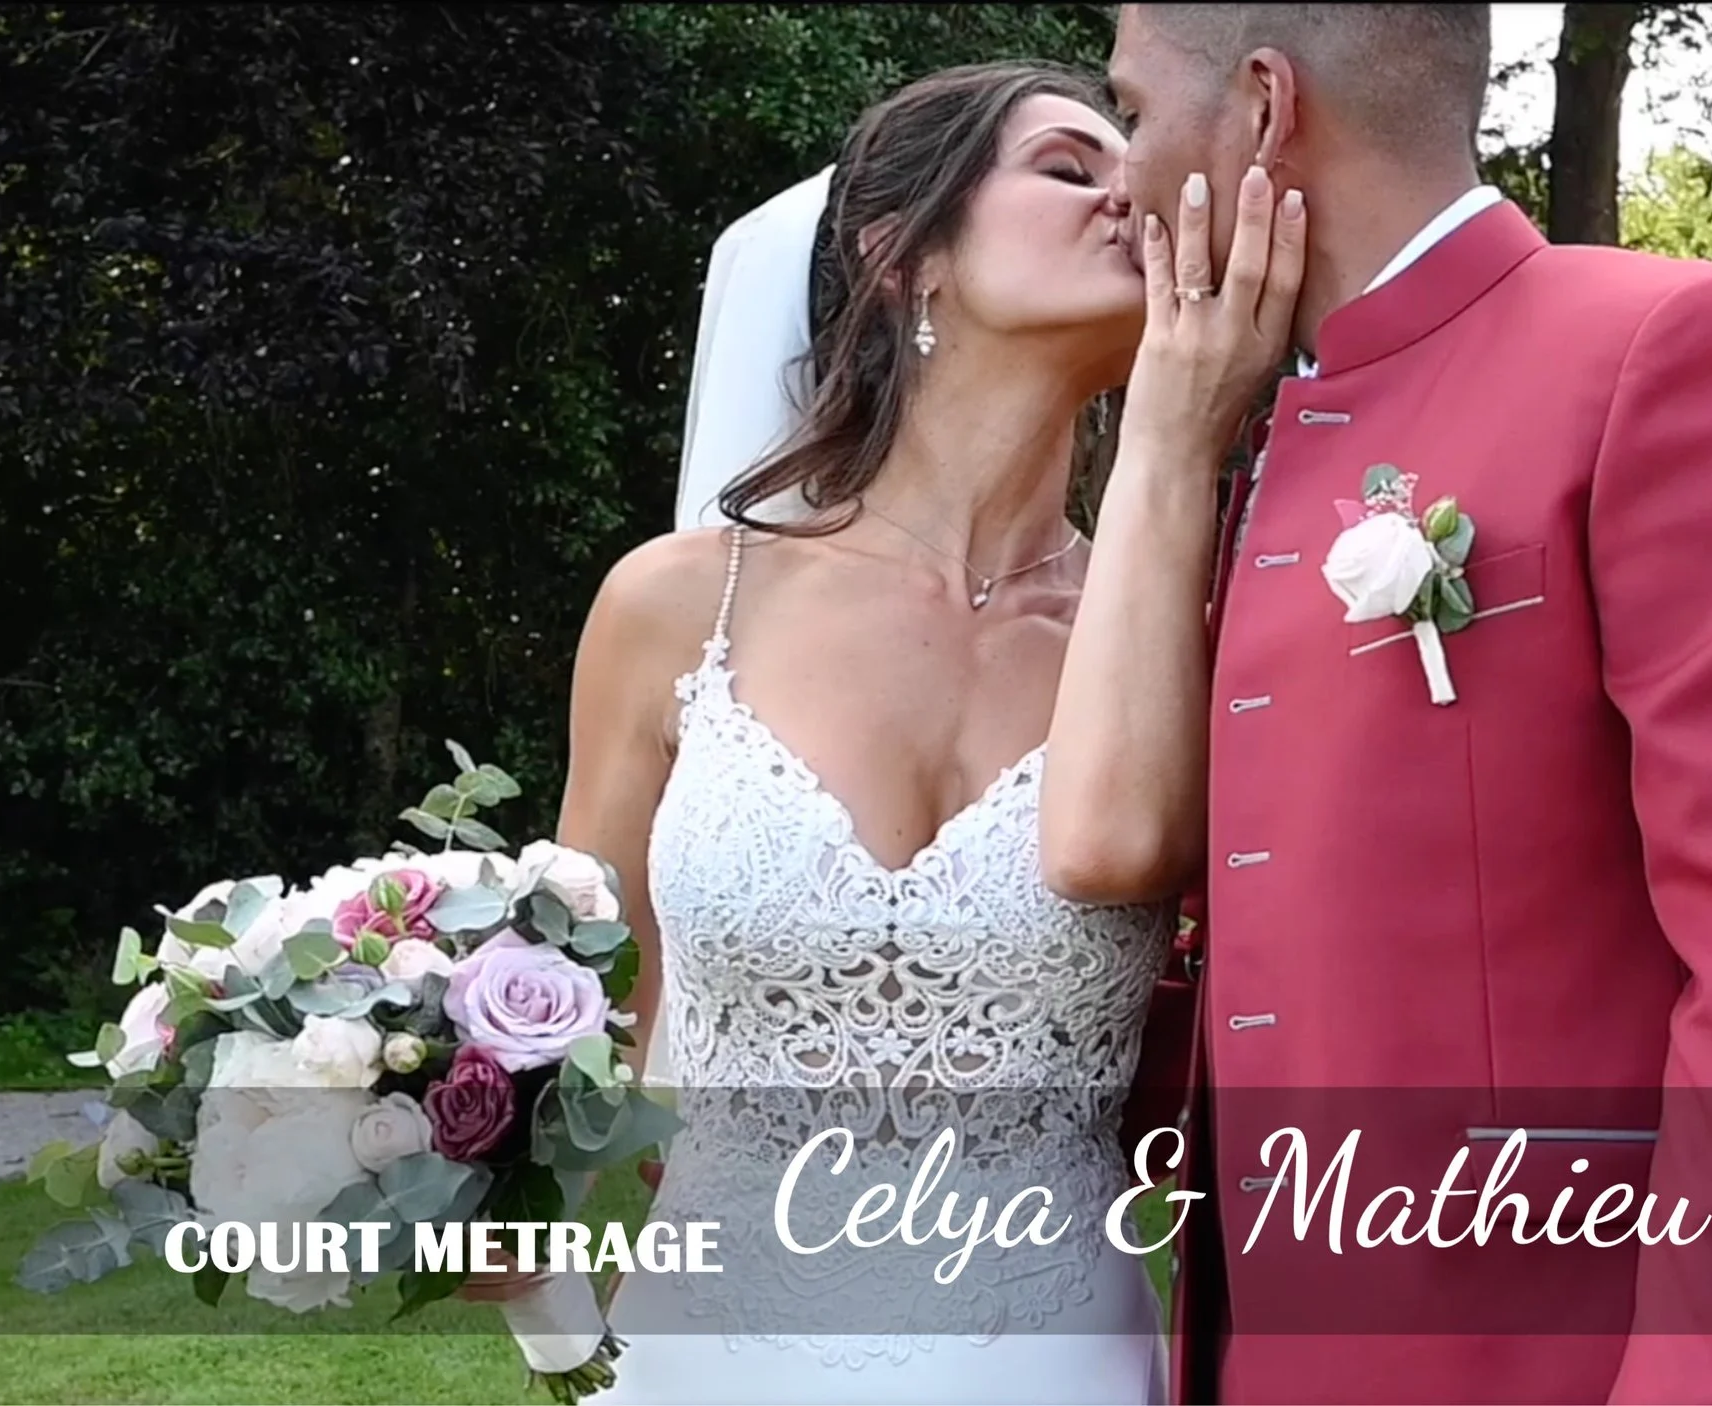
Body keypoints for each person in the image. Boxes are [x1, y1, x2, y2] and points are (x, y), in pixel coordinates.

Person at [1041, 5, 1712, 1404]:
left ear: (1267, 107)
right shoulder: (1270, 440)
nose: (1122, 182)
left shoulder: (1681, 352)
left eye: (1139, 116)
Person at [463, 58, 1304, 1405]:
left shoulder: (1195, 637)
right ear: (904, 254)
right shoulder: (679, 605)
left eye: (1126, 165)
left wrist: (1179, 434)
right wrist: (564, 1336)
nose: (1126, 196)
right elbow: (564, 1052)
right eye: (1067, 168)